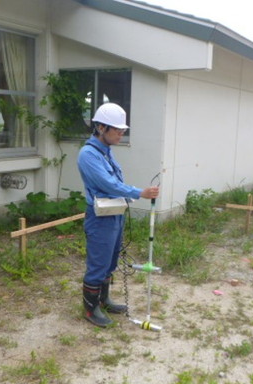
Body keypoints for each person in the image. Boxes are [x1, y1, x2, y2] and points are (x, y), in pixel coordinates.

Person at [77, 102, 159, 327]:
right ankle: (90, 308)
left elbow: (114, 182)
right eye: (117, 130)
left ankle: (103, 300)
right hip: (100, 218)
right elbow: (108, 183)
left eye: (123, 130)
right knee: (99, 262)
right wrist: (138, 193)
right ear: (101, 127)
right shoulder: (88, 154)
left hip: (115, 213)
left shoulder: (107, 152)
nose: (121, 133)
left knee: (111, 260)